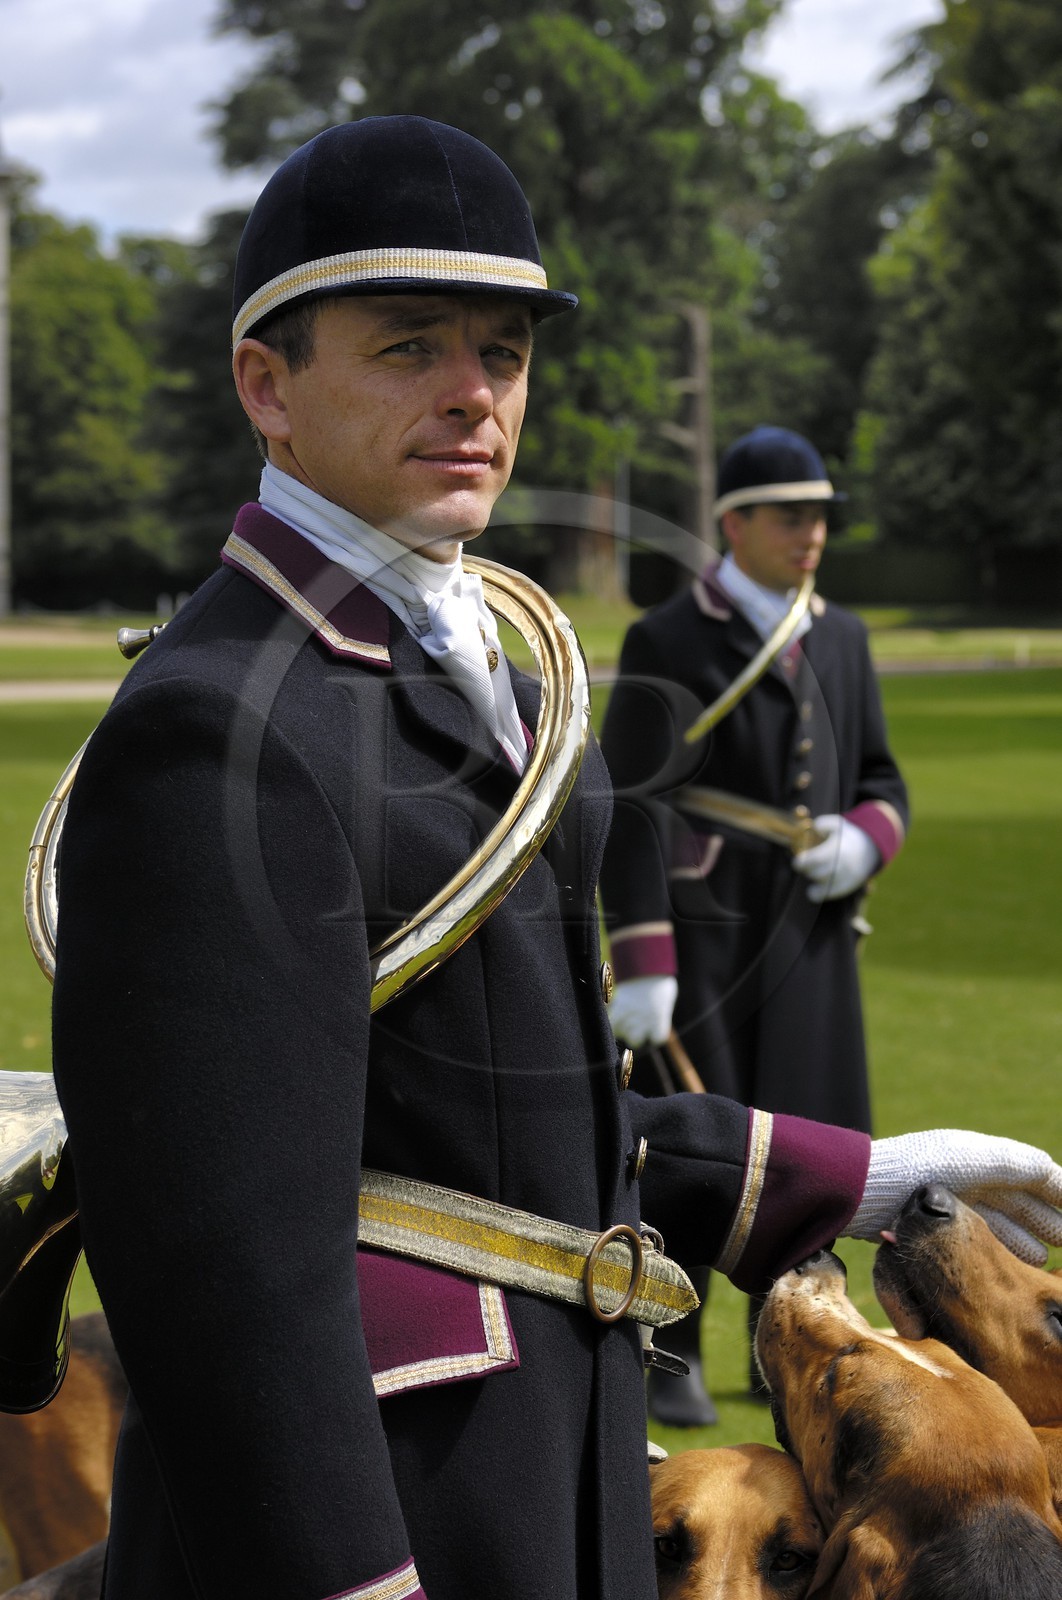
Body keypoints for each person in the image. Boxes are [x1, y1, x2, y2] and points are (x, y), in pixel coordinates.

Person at [49, 120, 1062, 1600]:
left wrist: (853, 1177)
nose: (474, 390)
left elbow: (520, 1129)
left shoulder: (503, 686)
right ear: (267, 385)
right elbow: (222, 1285)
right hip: (389, 1524)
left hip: (538, 1485)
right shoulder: (221, 722)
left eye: (504, 352)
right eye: (409, 345)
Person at [599, 425, 908, 1424]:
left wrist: (865, 836)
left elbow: (882, 778)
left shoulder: (844, 636)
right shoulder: (667, 638)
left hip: (811, 935)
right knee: (698, 1139)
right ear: (734, 524)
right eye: (789, 516)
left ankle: (793, 1348)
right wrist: (644, 955)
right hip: (707, 931)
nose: (811, 533)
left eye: (819, 516)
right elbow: (631, 802)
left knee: (812, 1138)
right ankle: (669, 1347)